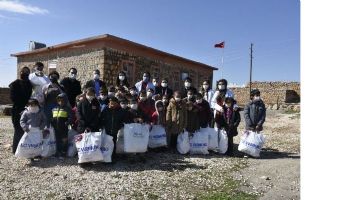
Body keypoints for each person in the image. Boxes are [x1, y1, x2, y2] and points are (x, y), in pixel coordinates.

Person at [9, 66, 33, 154]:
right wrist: (24, 102)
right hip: (17, 110)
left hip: (27, 109)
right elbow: (13, 98)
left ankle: (23, 149)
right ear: (20, 72)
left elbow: (30, 95)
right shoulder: (14, 84)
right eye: (24, 71)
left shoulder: (29, 84)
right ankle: (15, 150)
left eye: (27, 72)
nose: (25, 73)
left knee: (25, 130)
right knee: (18, 130)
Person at [100, 97, 128, 161]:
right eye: (111, 103)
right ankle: (105, 157)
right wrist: (102, 125)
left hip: (116, 130)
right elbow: (101, 118)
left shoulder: (121, 110)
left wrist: (120, 126)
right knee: (106, 144)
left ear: (117, 103)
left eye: (114, 103)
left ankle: (113, 157)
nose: (112, 105)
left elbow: (124, 120)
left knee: (114, 143)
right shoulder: (105, 109)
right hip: (107, 129)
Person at [51, 94, 72, 158]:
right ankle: (58, 152)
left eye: (62, 100)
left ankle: (63, 153)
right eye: (59, 100)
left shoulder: (67, 108)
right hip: (56, 128)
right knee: (57, 140)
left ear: (65, 100)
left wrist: (67, 123)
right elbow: (52, 117)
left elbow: (71, 117)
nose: (60, 101)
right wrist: (51, 123)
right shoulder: (54, 109)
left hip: (64, 128)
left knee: (64, 140)